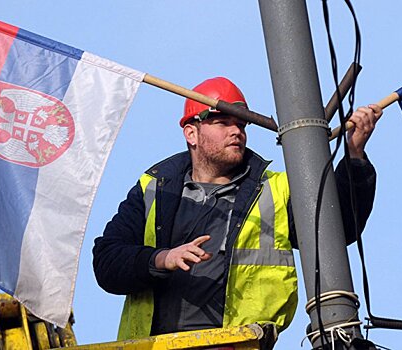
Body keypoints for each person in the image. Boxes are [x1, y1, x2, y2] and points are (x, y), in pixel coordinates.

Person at [93, 77, 382, 341]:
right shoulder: (155, 189)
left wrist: (354, 156)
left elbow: (337, 229)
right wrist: (163, 258)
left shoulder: (276, 189)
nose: (236, 132)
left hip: (238, 345)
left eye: (241, 125)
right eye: (223, 123)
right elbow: (107, 263)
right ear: (191, 133)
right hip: (156, 347)